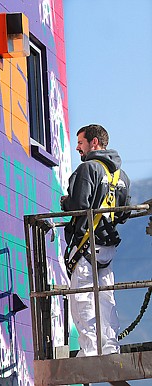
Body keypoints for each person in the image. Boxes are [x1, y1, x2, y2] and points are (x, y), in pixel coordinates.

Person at [60, 124, 130, 356]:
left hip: (86, 244)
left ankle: (90, 350)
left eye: (81, 143)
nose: (78, 148)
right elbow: (123, 213)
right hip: (106, 247)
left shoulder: (88, 169)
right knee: (105, 297)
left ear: (94, 143)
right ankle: (109, 347)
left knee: (83, 298)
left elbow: (79, 206)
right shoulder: (121, 176)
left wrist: (65, 203)